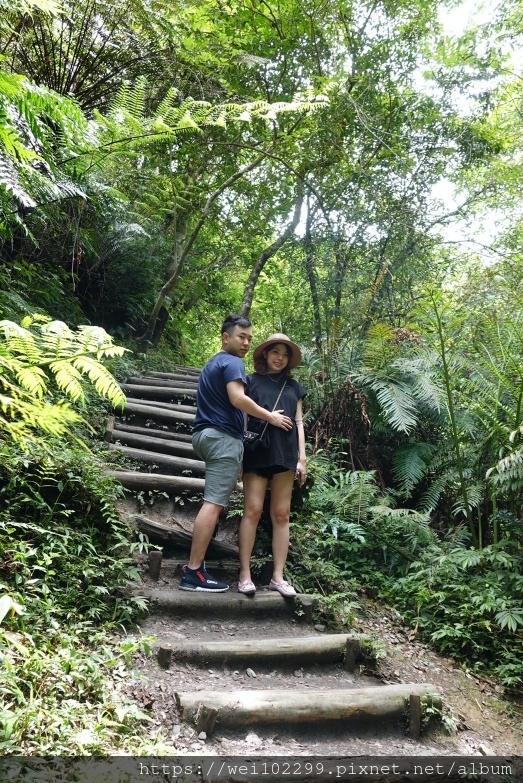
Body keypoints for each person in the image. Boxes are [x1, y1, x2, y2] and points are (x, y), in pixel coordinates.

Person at [179, 316, 293, 592]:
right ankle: (194, 571)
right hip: (221, 437)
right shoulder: (232, 363)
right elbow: (238, 399)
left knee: (213, 500)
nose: (245, 342)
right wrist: (270, 417)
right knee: (214, 503)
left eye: (249, 338)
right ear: (225, 337)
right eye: (241, 336)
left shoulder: (212, 362)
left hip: (205, 434)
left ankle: (197, 567)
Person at [237, 333, 307, 597]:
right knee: (253, 511)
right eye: (275, 351)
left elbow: (299, 422)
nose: (280, 357)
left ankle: (278, 577)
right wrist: (240, 456)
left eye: (285, 354)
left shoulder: (294, 387)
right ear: (265, 354)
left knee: (281, 514)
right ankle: (244, 575)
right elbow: (243, 419)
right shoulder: (250, 382)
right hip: (257, 452)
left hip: (285, 454)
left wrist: (302, 458)